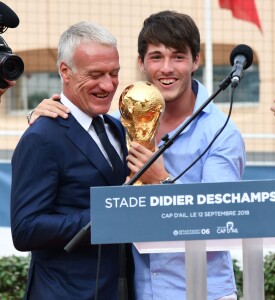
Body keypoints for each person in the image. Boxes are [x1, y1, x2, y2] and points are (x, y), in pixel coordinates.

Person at [28, 11, 245, 300]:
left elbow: (222, 222)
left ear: (196, 61)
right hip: (138, 290)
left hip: (203, 291)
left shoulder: (222, 132)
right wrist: (40, 114)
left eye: (178, 56)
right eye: (156, 57)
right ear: (141, 63)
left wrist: (163, 181)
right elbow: (74, 129)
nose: (167, 68)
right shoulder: (119, 122)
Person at [10, 21, 133, 300]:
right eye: (96, 74)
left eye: (114, 73)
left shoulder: (116, 128)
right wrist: (105, 218)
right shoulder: (41, 137)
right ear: (65, 71)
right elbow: (25, 229)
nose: (108, 84)